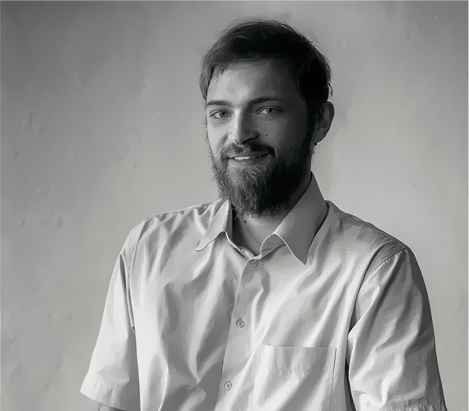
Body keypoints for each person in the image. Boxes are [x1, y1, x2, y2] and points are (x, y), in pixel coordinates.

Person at [80, 18, 448, 411]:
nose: (239, 134)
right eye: (221, 113)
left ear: (319, 122)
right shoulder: (148, 250)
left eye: (267, 109)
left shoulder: (375, 271)